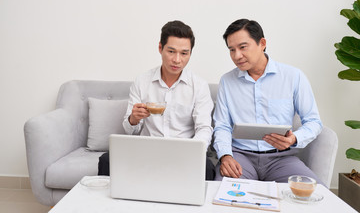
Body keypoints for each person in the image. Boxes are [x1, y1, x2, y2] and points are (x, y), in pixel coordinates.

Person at [98, 20, 215, 180]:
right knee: (107, 160)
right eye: (171, 51)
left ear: (190, 54)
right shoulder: (142, 81)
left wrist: (193, 152)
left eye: (184, 53)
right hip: (147, 149)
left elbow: (204, 128)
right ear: (160, 48)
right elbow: (130, 129)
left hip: (183, 152)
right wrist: (134, 119)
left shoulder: (199, 86)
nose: (177, 60)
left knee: (207, 168)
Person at [213, 19, 323, 184]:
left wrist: (294, 138)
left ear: (262, 43)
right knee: (223, 194)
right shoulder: (227, 81)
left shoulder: (293, 77)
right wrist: (226, 156)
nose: (237, 56)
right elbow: (222, 126)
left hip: (281, 159)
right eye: (231, 50)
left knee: (315, 193)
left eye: (243, 47)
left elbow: (314, 122)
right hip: (240, 157)